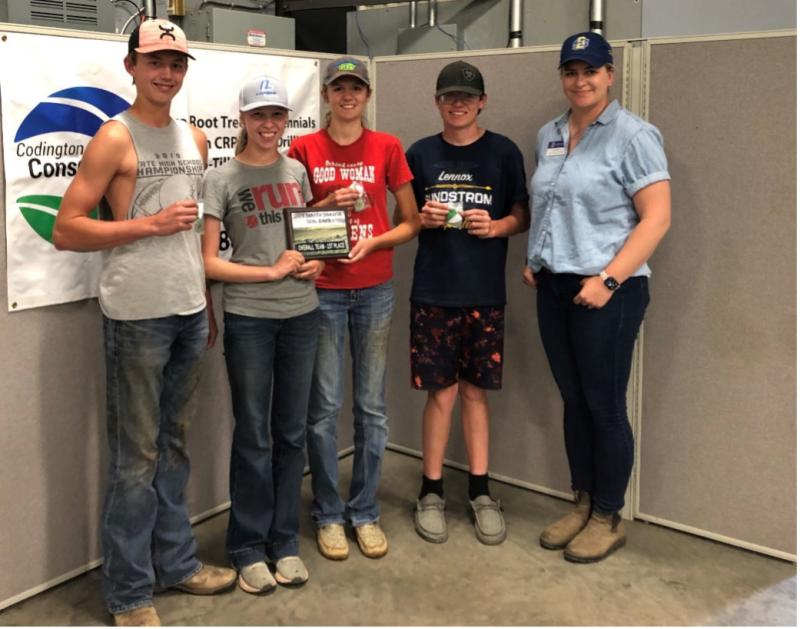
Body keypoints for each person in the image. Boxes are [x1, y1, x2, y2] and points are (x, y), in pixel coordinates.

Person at [52, 19, 236, 626]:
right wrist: (145, 226)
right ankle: (130, 593)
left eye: (177, 63)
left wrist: (204, 299)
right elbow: (67, 228)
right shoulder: (113, 137)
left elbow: (194, 239)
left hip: (187, 312)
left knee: (173, 448)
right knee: (136, 457)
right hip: (136, 316)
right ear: (131, 65)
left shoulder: (195, 139)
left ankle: (177, 565)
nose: (167, 73)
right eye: (156, 61)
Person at [523, 31, 671, 563]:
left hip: (612, 289)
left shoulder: (634, 136)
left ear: (611, 75)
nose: (579, 80)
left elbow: (657, 219)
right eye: (570, 71)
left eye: (590, 70)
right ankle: (582, 501)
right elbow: (552, 201)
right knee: (574, 400)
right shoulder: (551, 134)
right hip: (556, 286)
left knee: (605, 406)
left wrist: (607, 280)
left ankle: (608, 514)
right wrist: (535, 259)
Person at [287, 57, 420, 560]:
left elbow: (411, 222)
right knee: (321, 409)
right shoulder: (304, 148)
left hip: (374, 288)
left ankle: (364, 511)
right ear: (325, 95)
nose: (347, 96)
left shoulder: (387, 147)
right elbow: (289, 218)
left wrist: (376, 243)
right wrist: (325, 208)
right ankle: (327, 512)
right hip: (322, 292)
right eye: (338, 88)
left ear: (367, 96)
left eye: (356, 88)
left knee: (371, 408)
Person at [201, 76, 323, 594]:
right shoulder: (220, 179)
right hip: (250, 316)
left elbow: (311, 237)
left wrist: (314, 262)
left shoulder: (296, 170)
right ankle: (247, 545)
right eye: (258, 116)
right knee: (253, 434)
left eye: (277, 115)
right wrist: (270, 272)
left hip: (302, 313)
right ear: (243, 120)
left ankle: (284, 539)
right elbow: (208, 262)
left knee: (291, 432)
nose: (269, 125)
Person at [405, 61, 530, 546]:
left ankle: (480, 491)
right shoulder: (419, 154)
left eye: (466, 97)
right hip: (434, 293)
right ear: (437, 102)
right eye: (448, 97)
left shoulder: (502, 152)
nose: (457, 104)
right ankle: (430, 491)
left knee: (475, 393)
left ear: (482, 102)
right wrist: (424, 217)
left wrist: (498, 227)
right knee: (441, 394)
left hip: (485, 294)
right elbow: (404, 217)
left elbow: (521, 210)